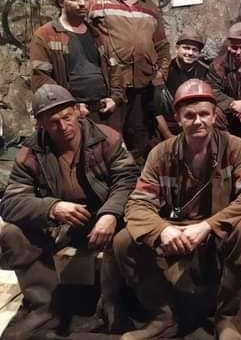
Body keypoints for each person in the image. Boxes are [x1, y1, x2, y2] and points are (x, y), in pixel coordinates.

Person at [113, 79, 241, 340]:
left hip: (217, 225)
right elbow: (138, 203)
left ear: (214, 116)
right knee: (123, 241)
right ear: (178, 119)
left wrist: (207, 226)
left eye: (204, 114)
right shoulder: (161, 153)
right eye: (189, 116)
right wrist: (162, 230)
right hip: (174, 227)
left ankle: (225, 317)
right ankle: (162, 314)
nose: (198, 121)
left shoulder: (233, 146)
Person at [0, 84, 138, 338]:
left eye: (67, 117)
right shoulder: (31, 152)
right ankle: (45, 309)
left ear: (77, 111)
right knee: (12, 233)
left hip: (103, 215)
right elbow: (10, 201)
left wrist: (110, 213)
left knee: (127, 234)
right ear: (41, 124)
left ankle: (112, 305)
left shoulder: (106, 138)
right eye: (53, 122)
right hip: (61, 222)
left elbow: (128, 180)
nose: (63, 126)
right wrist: (52, 207)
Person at [89, 0, 171, 162]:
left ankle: (137, 174)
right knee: (108, 134)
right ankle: (110, 174)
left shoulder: (150, 8)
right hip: (110, 84)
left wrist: (161, 72)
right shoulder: (96, 1)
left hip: (142, 85)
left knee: (138, 134)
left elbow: (162, 45)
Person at [29, 0, 122, 129]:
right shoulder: (45, 35)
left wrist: (115, 98)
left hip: (102, 110)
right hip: (70, 115)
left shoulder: (97, 34)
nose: (82, 3)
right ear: (61, 2)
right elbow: (41, 79)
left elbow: (114, 68)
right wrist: (70, 106)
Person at [155, 28, 209, 139]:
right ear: (177, 49)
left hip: (196, 121)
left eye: (194, 50)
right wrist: (167, 134)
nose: (190, 53)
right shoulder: (165, 71)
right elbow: (156, 109)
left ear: (199, 53)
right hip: (169, 122)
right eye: (186, 48)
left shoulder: (205, 72)